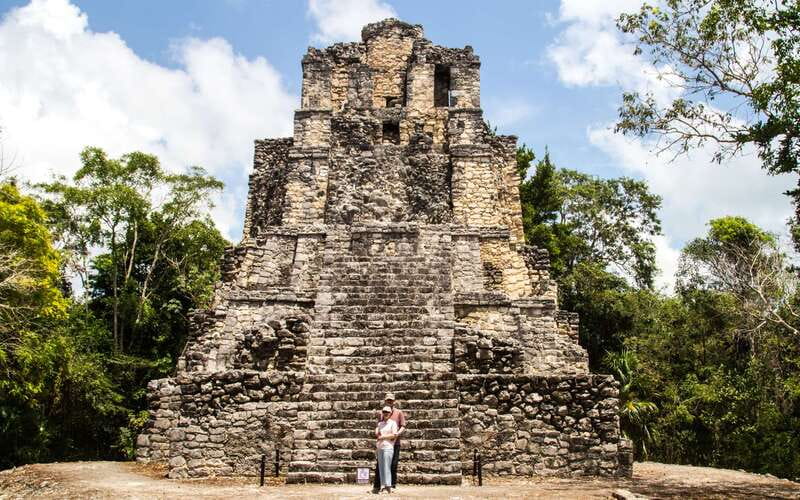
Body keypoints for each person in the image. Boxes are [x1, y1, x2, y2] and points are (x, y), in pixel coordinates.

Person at [372, 393, 406, 494]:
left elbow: (403, 426)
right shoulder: (382, 413)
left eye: (391, 400)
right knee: (381, 465)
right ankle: (378, 486)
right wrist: (378, 433)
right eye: (388, 400)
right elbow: (379, 425)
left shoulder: (399, 412)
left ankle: (392, 485)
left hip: (394, 442)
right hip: (383, 443)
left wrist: (396, 435)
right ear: (385, 401)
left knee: (393, 465)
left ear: (394, 401)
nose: (390, 402)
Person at [375, 405, 398, 494]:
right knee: (381, 467)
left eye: (387, 412)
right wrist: (377, 432)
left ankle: (388, 486)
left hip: (388, 447)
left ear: (390, 413)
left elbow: (394, 434)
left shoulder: (393, 423)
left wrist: (383, 437)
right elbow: (378, 434)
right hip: (380, 447)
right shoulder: (380, 424)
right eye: (384, 412)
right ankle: (382, 486)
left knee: (386, 467)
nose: (385, 413)